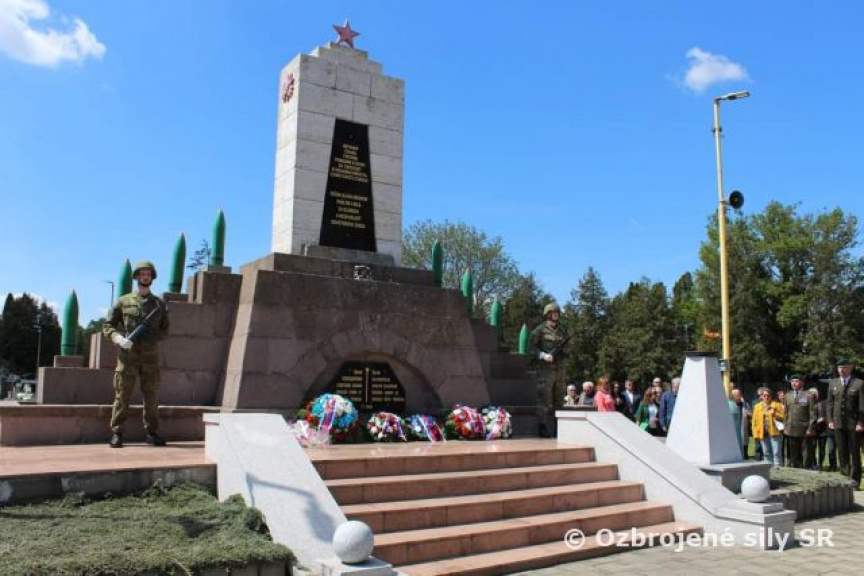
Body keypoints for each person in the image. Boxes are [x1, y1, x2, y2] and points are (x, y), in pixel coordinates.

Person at [103, 260, 170, 448]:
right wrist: (118, 338)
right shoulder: (123, 301)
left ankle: (151, 433)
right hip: (128, 357)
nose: (145, 277)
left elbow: (165, 329)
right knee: (122, 396)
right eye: (142, 274)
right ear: (136, 277)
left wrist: (152, 337)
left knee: (151, 398)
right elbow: (108, 326)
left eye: (148, 274)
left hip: (150, 358)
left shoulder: (159, 304)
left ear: (152, 277)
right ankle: (117, 433)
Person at [529, 302, 567, 437]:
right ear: (548, 314)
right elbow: (531, 347)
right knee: (544, 399)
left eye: (557, 313)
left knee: (559, 399)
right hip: (545, 370)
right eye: (553, 313)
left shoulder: (562, 330)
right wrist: (542, 355)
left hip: (560, 369)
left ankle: (559, 427)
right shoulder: (540, 330)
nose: (556, 315)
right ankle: (543, 425)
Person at [826, 359, 863, 487]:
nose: (841, 370)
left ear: (850, 368)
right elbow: (830, 403)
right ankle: (845, 479)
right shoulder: (833, 383)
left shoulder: (859, 383)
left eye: (844, 367)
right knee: (842, 452)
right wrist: (830, 420)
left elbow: (862, 405)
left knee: (854, 452)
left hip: (853, 424)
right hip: (838, 423)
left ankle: (855, 480)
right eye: (839, 367)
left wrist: (861, 422)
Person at [783, 374, 817, 469]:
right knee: (794, 454)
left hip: (804, 430)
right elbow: (785, 413)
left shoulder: (809, 395)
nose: (794, 383)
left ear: (802, 383)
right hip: (791, 429)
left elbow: (813, 414)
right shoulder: (788, 395)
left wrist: (810, 428)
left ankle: (806, 470)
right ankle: (796, 471)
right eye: (792, 381)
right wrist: (785, 426)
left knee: (805, 454)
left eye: (796, 381)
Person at [752, 387, 785, 468]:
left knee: (776, 453)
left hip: (775, 433)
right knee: (766, 453)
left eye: (768, 395)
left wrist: (775, 414)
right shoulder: (757, 407)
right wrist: (755, 434)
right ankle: (768, 468)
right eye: (764, 395)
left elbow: (784, 417)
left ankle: (778, 468)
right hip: (763, 433)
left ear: (771, 396)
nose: (766, 397)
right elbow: (754, 421)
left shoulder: (777, 405)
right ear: (761, 396)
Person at [813, 387, 837, 471]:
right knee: (821, 449)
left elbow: (835, 416)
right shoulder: (818, 404)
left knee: (831, 449)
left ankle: (833, 466)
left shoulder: (831, 404)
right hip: (821, 430)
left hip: (831, 430)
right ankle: (820, 465)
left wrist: (825, 419)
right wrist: (819, 420)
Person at [728, 388, 751, 459]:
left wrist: (749, 413)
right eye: (738, 395)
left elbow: (750, 413)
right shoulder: (729, 405)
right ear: (733, 396)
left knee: (744, 447)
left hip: (743, 429)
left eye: (740, 394)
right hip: (735, 431)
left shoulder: (744, 404)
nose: (740, 396)